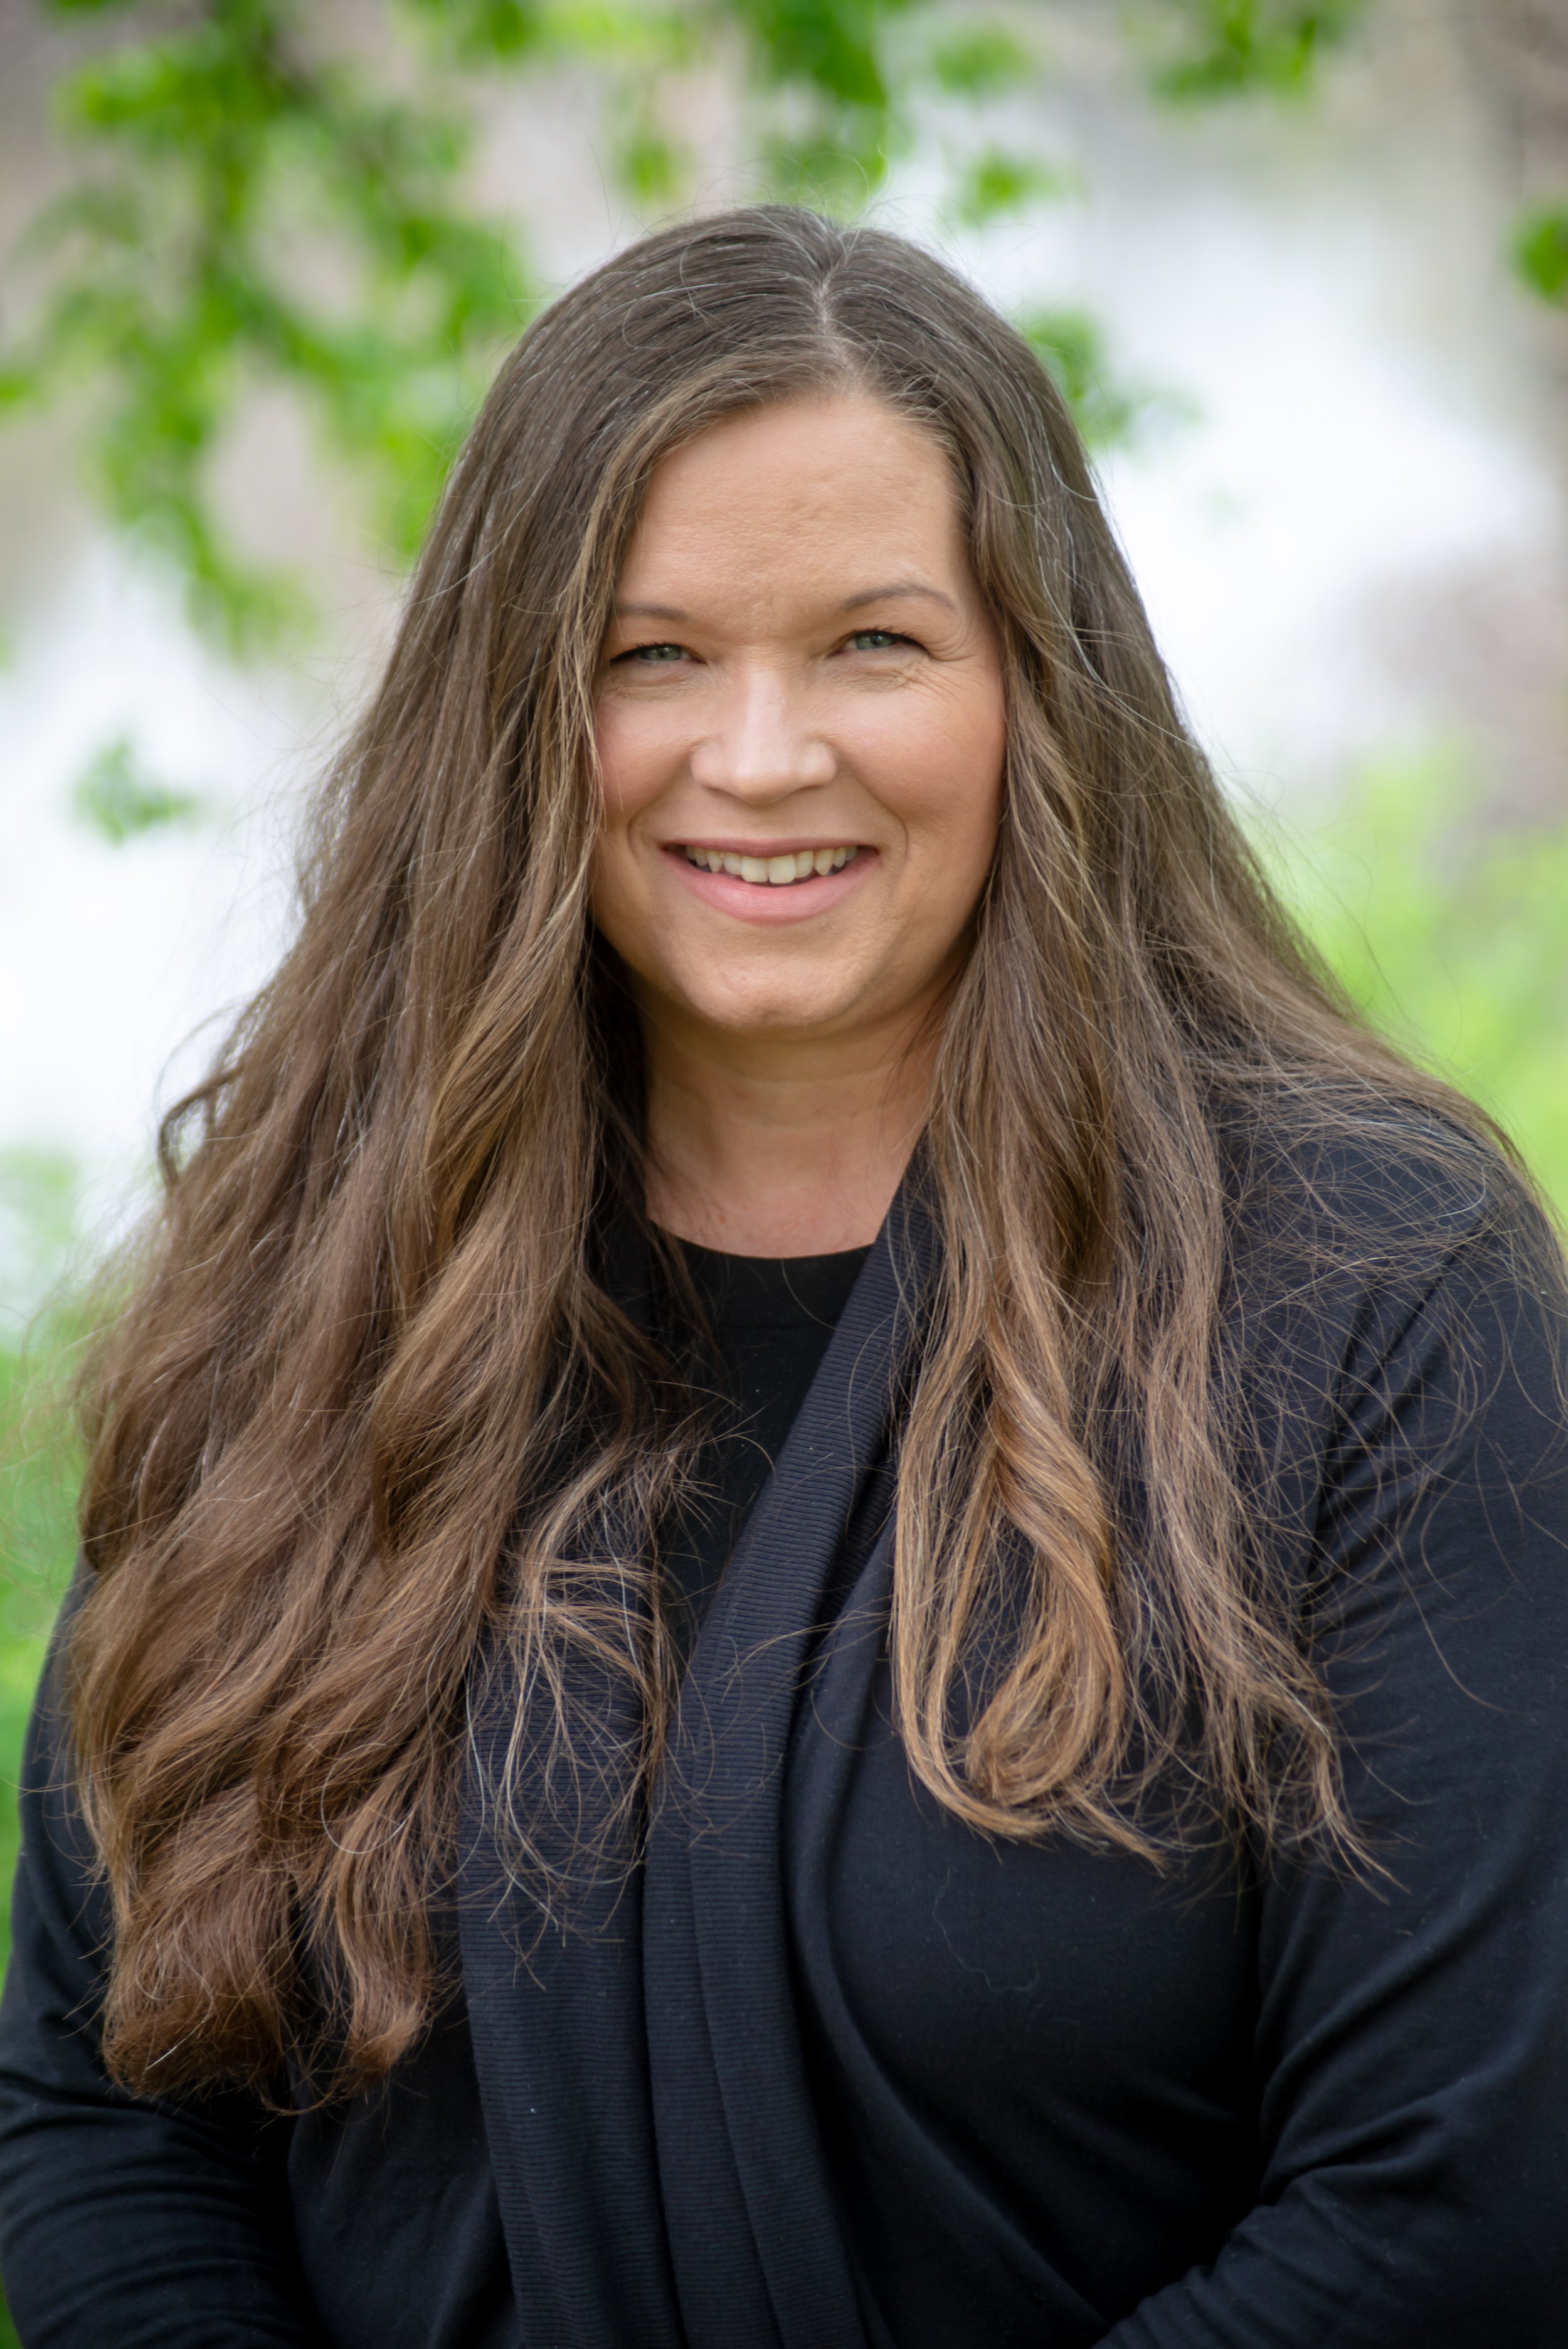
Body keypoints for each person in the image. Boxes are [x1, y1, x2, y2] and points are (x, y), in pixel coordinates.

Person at [1, 203, 1565, 2349]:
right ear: (516, 711)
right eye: (653, 655)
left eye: (873, 644)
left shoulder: (1369, 1296)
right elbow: (108, 2113)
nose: (758, 754)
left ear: (1040, 684)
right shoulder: (304, 1284)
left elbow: (1449, 2200)